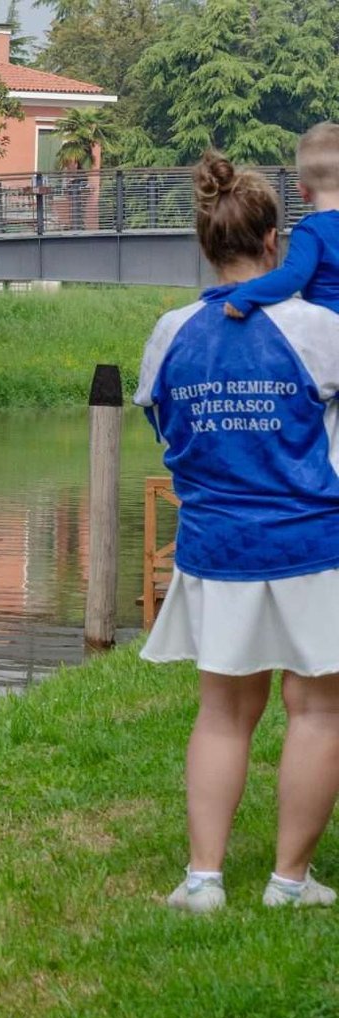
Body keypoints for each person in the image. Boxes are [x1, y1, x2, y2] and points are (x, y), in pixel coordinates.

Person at [135, 151, 339, 914]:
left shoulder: (170, 332)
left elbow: (164, 423)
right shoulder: (320, 328)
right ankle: (289, 882)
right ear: (274, 240)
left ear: (205, 241)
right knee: (317, 709)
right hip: (311, 543)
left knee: (223, 711)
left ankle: (203, 878)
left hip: (215, 547)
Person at [225, 123, 339, 320]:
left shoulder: (311, 230)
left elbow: (294, 275)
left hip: (329, 331)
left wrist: (246, 294)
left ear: (302, 190)